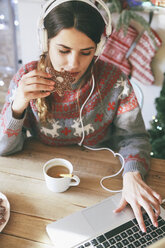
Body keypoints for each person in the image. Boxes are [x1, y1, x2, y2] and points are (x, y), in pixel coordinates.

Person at [0, 0, 162, 233]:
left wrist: (133, 173)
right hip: (42, 182)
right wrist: (18, 105)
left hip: (102, 179)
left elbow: (134, 137)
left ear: (99, 47)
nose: (73, 64)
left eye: (86, 52)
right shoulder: (27, 77)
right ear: (45, 42)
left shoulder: (115, 80)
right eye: (63, 51)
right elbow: (4, 148)